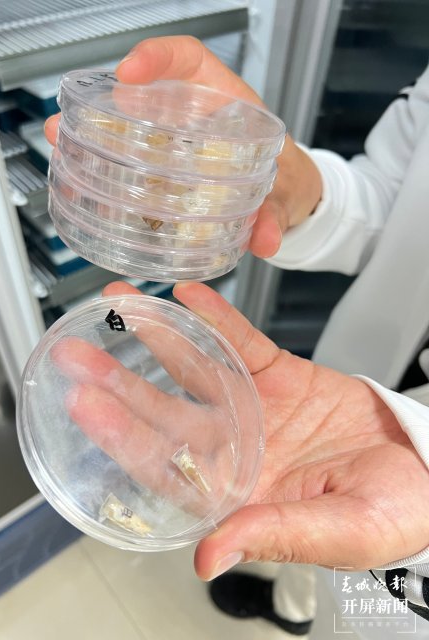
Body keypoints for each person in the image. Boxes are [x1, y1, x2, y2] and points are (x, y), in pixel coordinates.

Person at [44, 35, 429, 629]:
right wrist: (297, 187)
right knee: (310, 543)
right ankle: (292, 606)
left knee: (350, 594)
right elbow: (398, 203)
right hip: (349, 395)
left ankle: (302, 612)